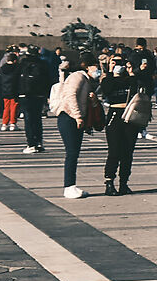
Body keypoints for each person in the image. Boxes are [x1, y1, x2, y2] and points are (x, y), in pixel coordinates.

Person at [51, 52, 97, 198]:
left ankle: (71, 185)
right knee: (71, 153)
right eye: (95, 66)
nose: (98, 69)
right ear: (88, 66)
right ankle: (69, 186)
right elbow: (70, 96)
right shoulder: (78, 77)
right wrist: (77, 116)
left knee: (74, 153)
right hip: (69, 117)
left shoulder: (86, 79)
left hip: (74, 118)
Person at [98, 51, 144, 195]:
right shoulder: (107, 79)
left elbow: (136, 90)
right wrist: (110, 71)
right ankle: (109, 182)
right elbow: (107, 90)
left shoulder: (129, 79)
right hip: (115, 115)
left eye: (120, 63)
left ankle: (124, 182)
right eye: (115, 62)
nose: (118, 65)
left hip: (130, 117)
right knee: (114, 151)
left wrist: (131, 73)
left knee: (128, 152)